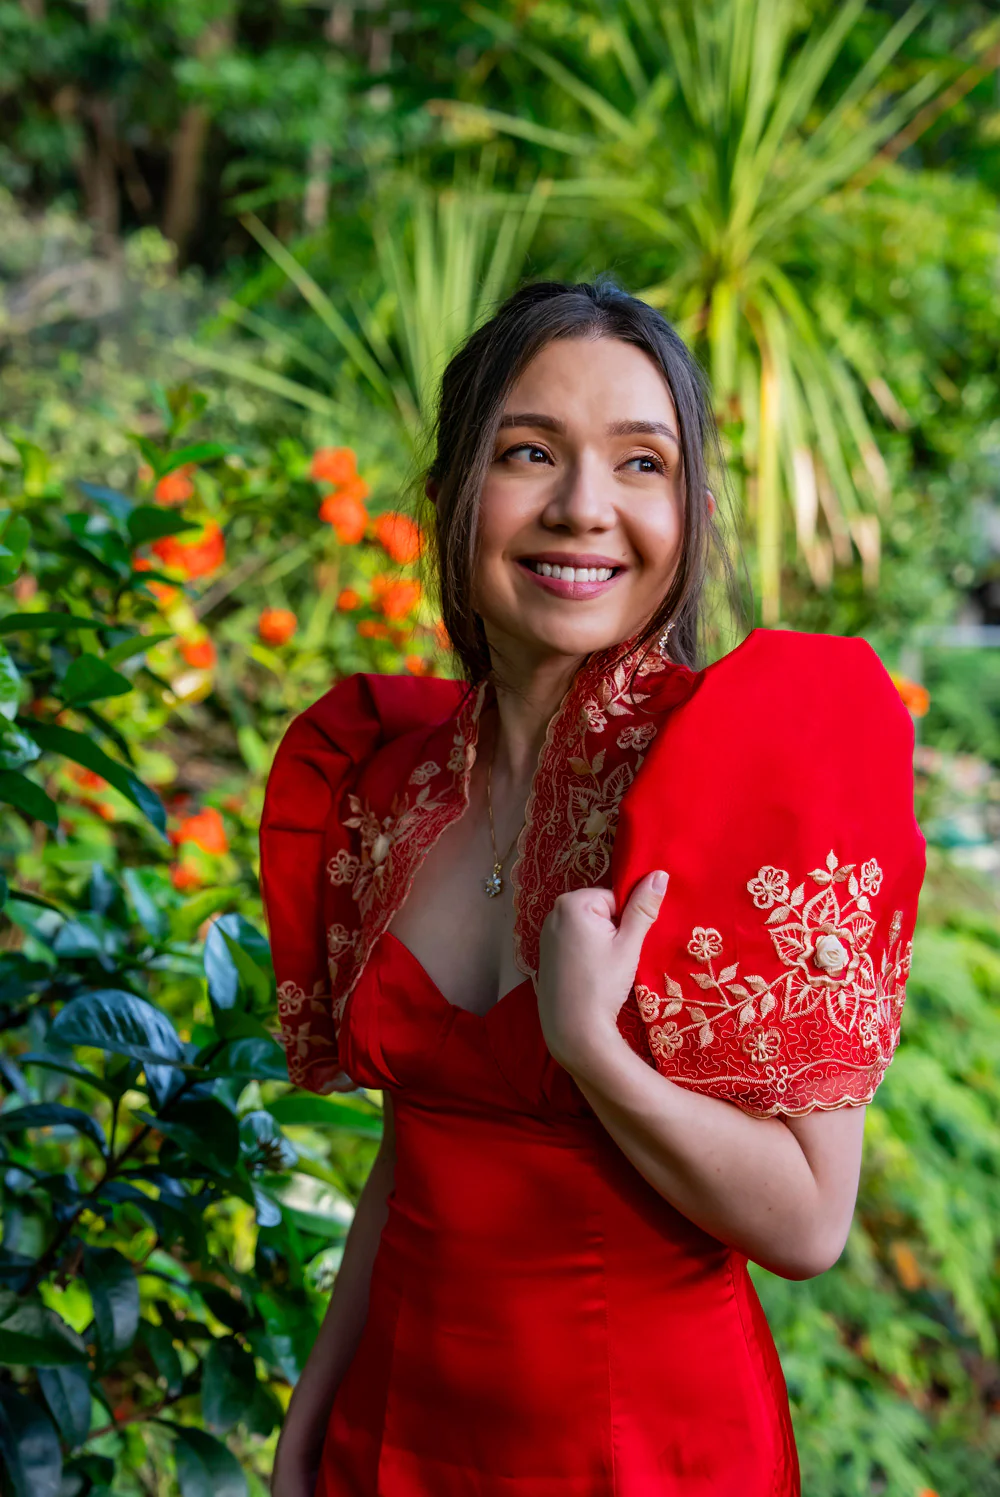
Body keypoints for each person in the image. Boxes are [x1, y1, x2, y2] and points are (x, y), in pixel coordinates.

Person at [260, 280, 926, 1496]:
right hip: (393, 1426)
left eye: (639, 463)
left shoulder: (756, 771)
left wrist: (594, 1052)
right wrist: (311, 1416)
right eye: (529, 453)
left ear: (691, 509)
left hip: (644, 1450)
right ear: (451, 495)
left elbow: (806, 1224)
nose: (582, 509)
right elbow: (415, 1152)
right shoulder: (383, 784)